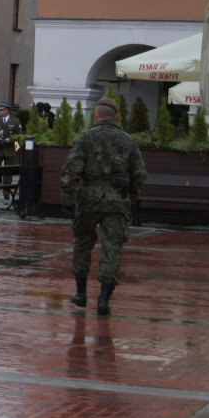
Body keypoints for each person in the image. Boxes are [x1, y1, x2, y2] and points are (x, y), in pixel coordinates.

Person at [60, 97, 147, 316]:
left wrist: (67, 199)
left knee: (82, 243)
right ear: (116, 116)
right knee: (113, 247)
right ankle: (104, 300)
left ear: (96, 115)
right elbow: (139, 174)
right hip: (117, 200)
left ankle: (81, 294)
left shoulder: (85, 138)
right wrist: (131, 198)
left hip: (88, 199)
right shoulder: (127, 140)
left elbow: (70, 171)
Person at [0, 103, 22, 192]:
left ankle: (6, 192)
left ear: (6, 111)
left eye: (1, 110)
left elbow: (19, 135)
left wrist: (11, 139)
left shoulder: (15, 121)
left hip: (9, 149)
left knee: (8, 172)